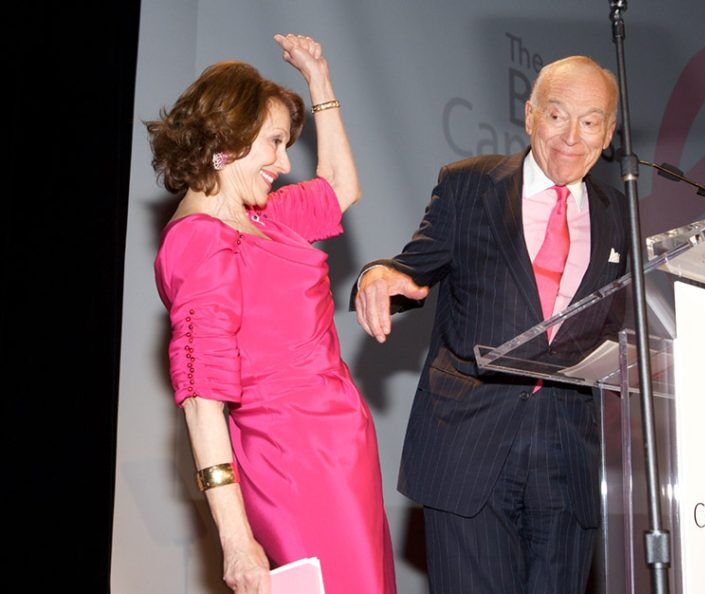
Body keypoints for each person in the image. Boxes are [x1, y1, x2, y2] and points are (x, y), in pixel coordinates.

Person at [352, 56, 628, 594]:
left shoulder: (619, 212)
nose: (572, 137)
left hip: (569, 453)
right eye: (556, 116)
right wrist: (380, 275)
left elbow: (628, 326)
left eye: (590, 122)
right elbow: (412, 265)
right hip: (469, 443)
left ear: (609, 132)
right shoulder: (469, 185)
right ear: (529, 117)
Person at [149, 34, 395, 594]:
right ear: (227, 142)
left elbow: (339, 187)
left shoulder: (265, 217)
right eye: (275, 143)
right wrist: (235, 540)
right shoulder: (200, 243)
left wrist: (321, 83)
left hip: (342, 450)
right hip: (292, 465)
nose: (285, 165)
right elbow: (202, 398)